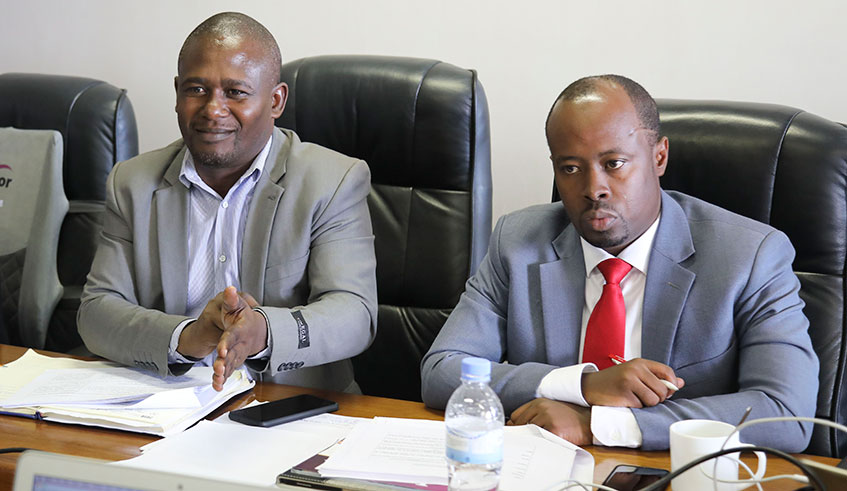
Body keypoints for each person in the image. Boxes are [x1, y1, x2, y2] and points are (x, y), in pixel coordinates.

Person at [421, 75, 819, 451]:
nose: (594, 189)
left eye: (614, 164)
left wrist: (597, 425)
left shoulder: (750, 256)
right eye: (571, 168)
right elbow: (442, 371)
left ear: (659, 156)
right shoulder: (519, 241)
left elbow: (786, 413)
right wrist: (584, 386)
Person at [78, 12, 377, 394]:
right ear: (177, 93)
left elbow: (354, 314)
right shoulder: (132, 183)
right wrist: (187, 337)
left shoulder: (332, 181)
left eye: (235, 92)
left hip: (290, 407)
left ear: (275, 101)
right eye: (196, 89)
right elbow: (97, 311)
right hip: (165, 403)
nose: (213, 110)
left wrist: (264, 332)